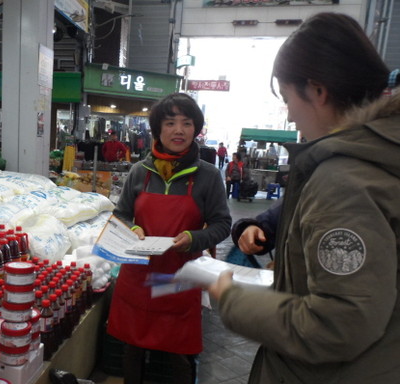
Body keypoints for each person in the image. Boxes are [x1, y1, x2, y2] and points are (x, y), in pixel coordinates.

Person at [209, 12, 400, 383]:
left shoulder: (345, 178)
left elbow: (339, 325)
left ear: (317, 90)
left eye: (287, 98)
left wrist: (231, 299)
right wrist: (263, 226)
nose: (290, 114)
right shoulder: (376, 157)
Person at [108, 92, 231, 384]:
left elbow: (222, 224)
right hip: (137, 276)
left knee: (180, 353)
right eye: (170, 122)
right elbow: (120, 215)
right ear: (158, 130)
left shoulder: (208, 176)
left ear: (195, 129)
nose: (179, 130)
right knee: (132, 349)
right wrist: (132, 229)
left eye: (187, 123)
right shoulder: (140, 172)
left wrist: (193, 238)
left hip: (179, 278)